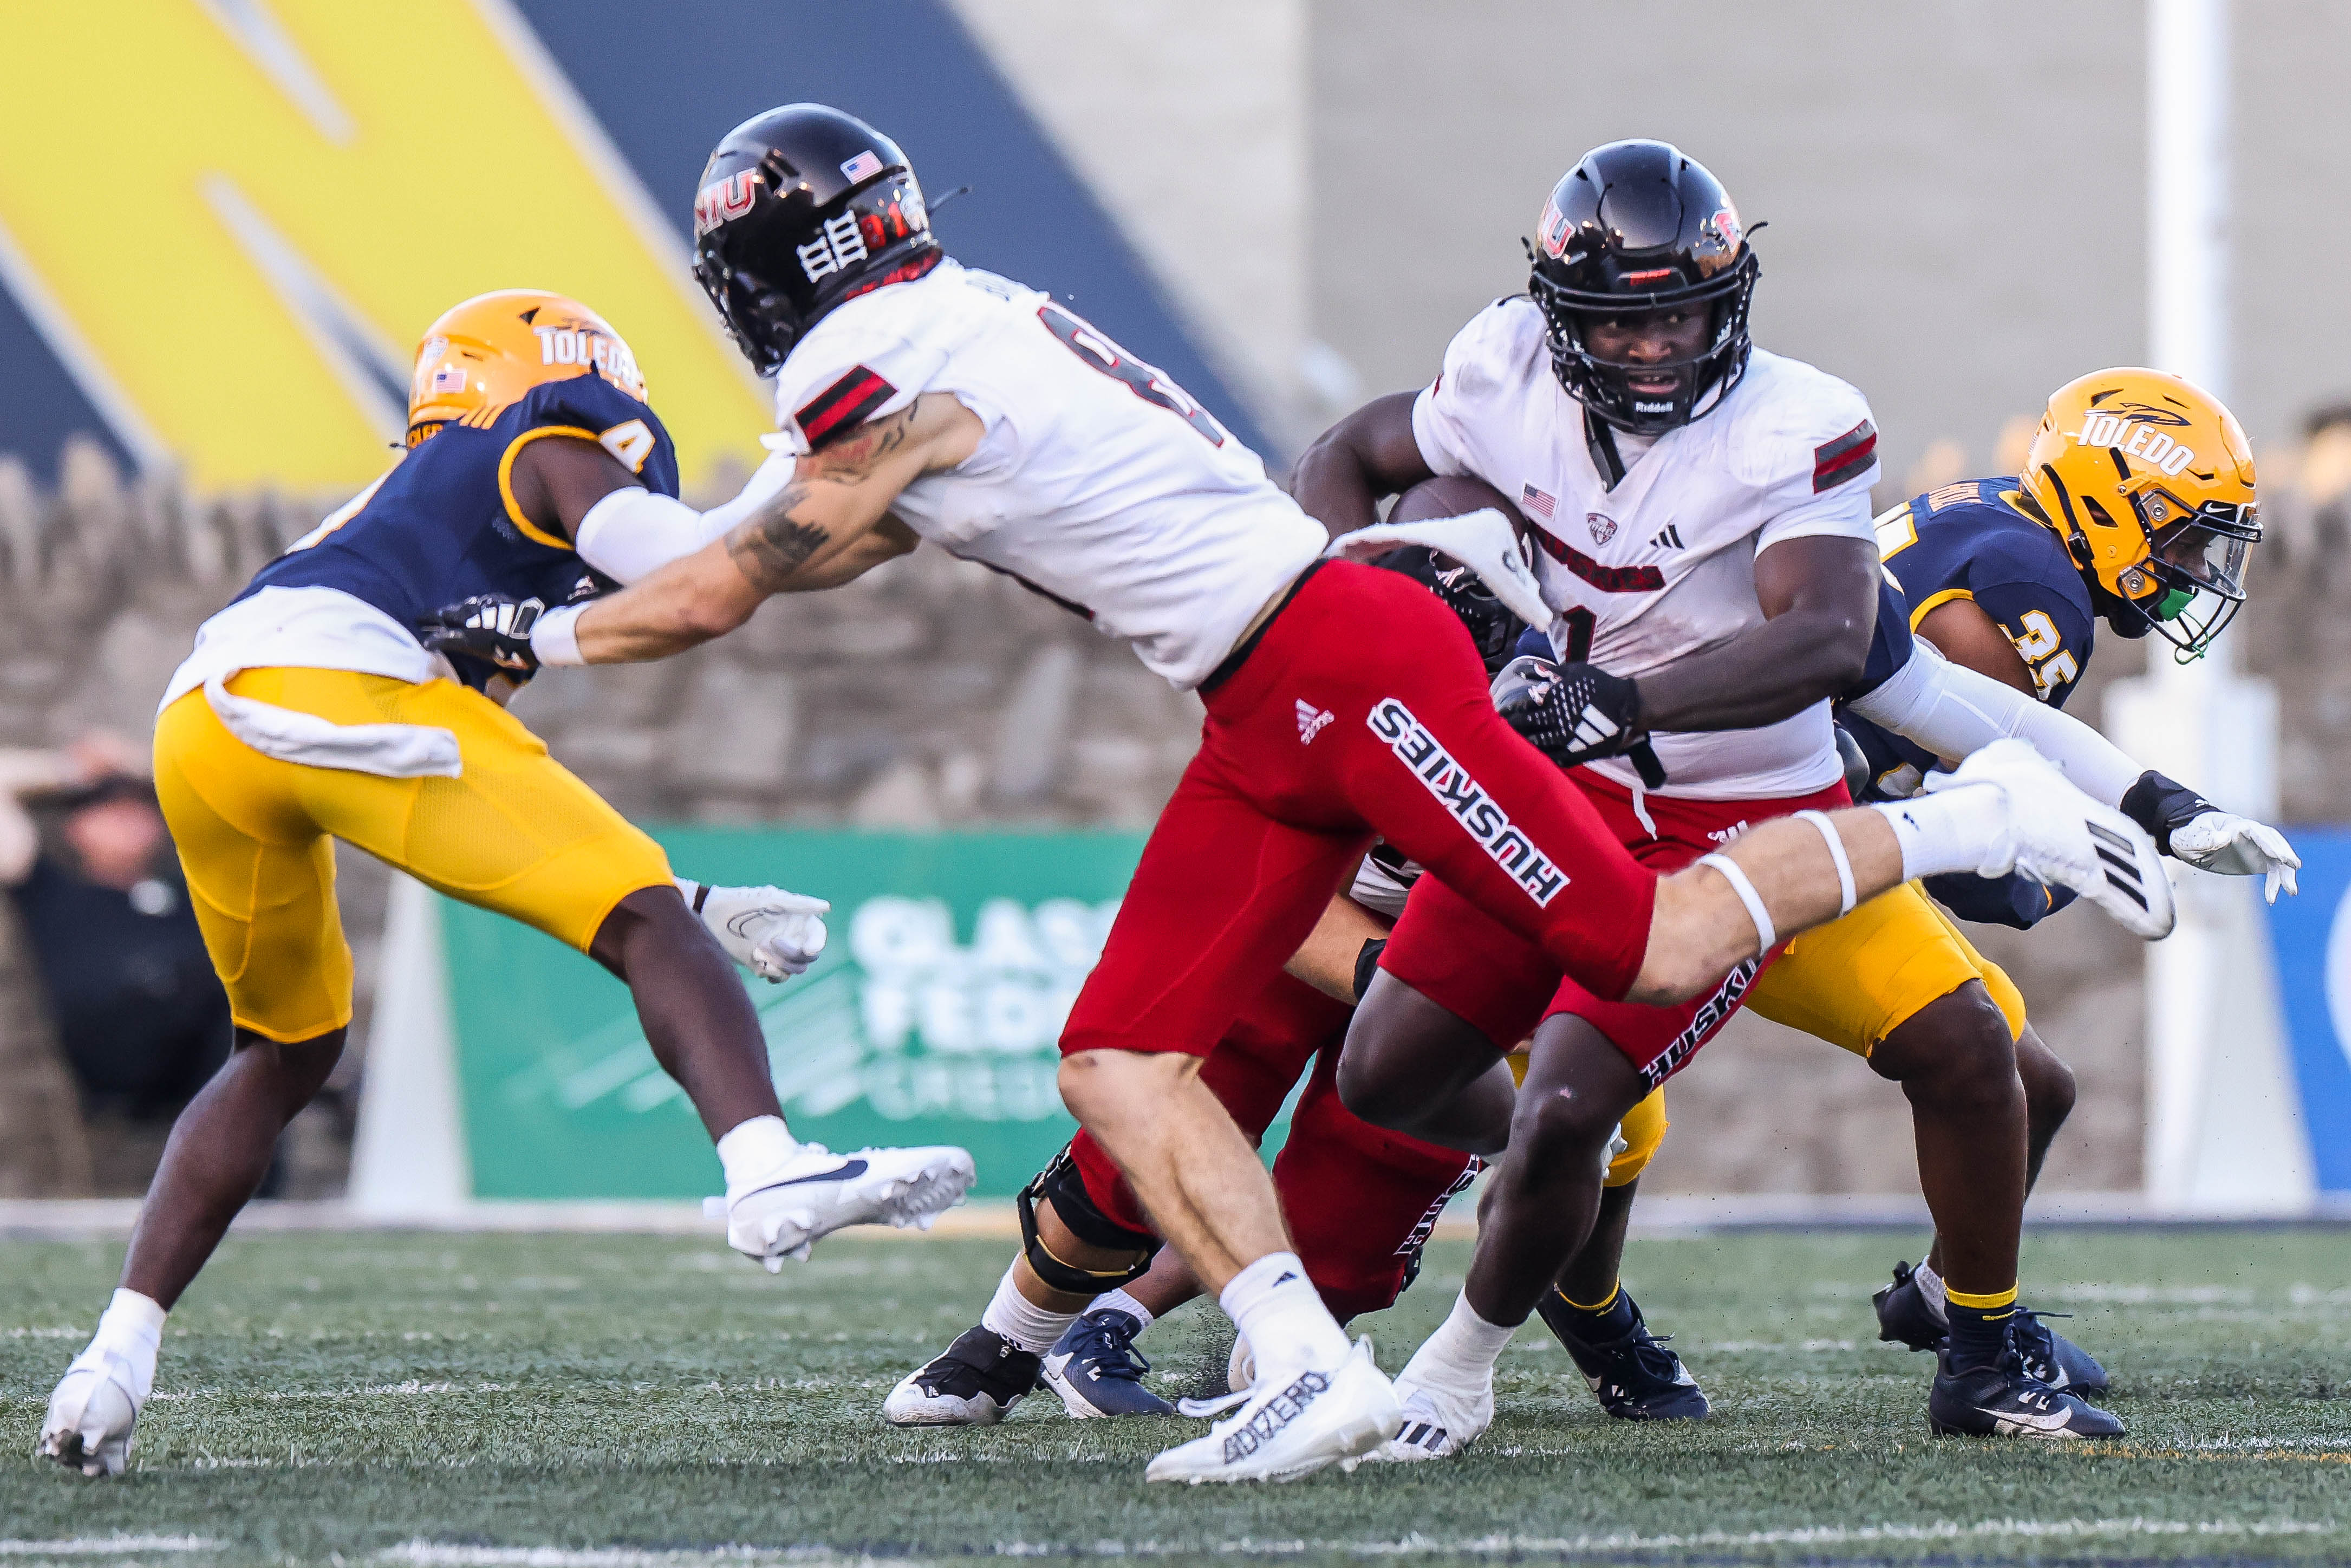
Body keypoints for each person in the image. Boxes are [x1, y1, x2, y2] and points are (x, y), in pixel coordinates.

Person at [422, 103, 2173, 1485]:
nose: (1651, 354)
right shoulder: (954, 320)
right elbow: (825, 538)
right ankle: (1298, 1364)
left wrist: (529, 633)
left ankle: (1955, 827)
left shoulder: (851, 362)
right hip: (1282, 682)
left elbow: (738, 574)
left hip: (1341, 668)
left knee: (1628, 946)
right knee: (1139, 1046)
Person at [36, 289, 976, 1481]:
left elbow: (497, 820)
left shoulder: (422, 513)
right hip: (333, 681)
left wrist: (691, 905)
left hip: (205, 722)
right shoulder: (542, 443)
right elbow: (688, 563)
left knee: (285, 1049)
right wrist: (805, 467)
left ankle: (113, 1358)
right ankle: (763, 1163)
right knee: (631, 912)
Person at [1, 734, 229, 1125]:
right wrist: (69, 768)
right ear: (76, 826)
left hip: (205, 1060)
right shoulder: (50, 891)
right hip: (123, 1065)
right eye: (106, 805)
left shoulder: (193, 895)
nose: (127, 816)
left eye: (140, 805)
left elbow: (237, 793)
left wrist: (148, 764)